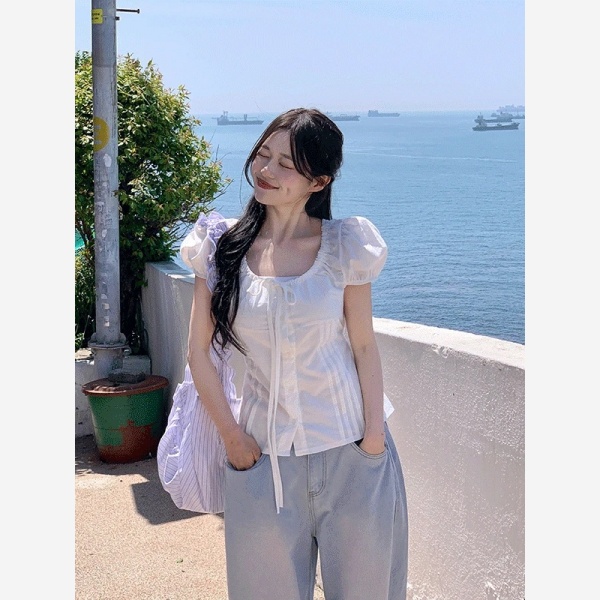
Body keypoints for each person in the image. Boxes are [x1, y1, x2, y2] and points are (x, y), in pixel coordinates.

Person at [180, 107, 408, 600]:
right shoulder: (220, 248)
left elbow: (364, 345)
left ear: (318, 181)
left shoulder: (346, 245)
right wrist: (232, 438)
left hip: (352, 451)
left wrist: (372, 440)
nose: (266, 170)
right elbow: (197, 351)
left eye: (286, 164)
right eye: (263, 154)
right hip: (261, 458)